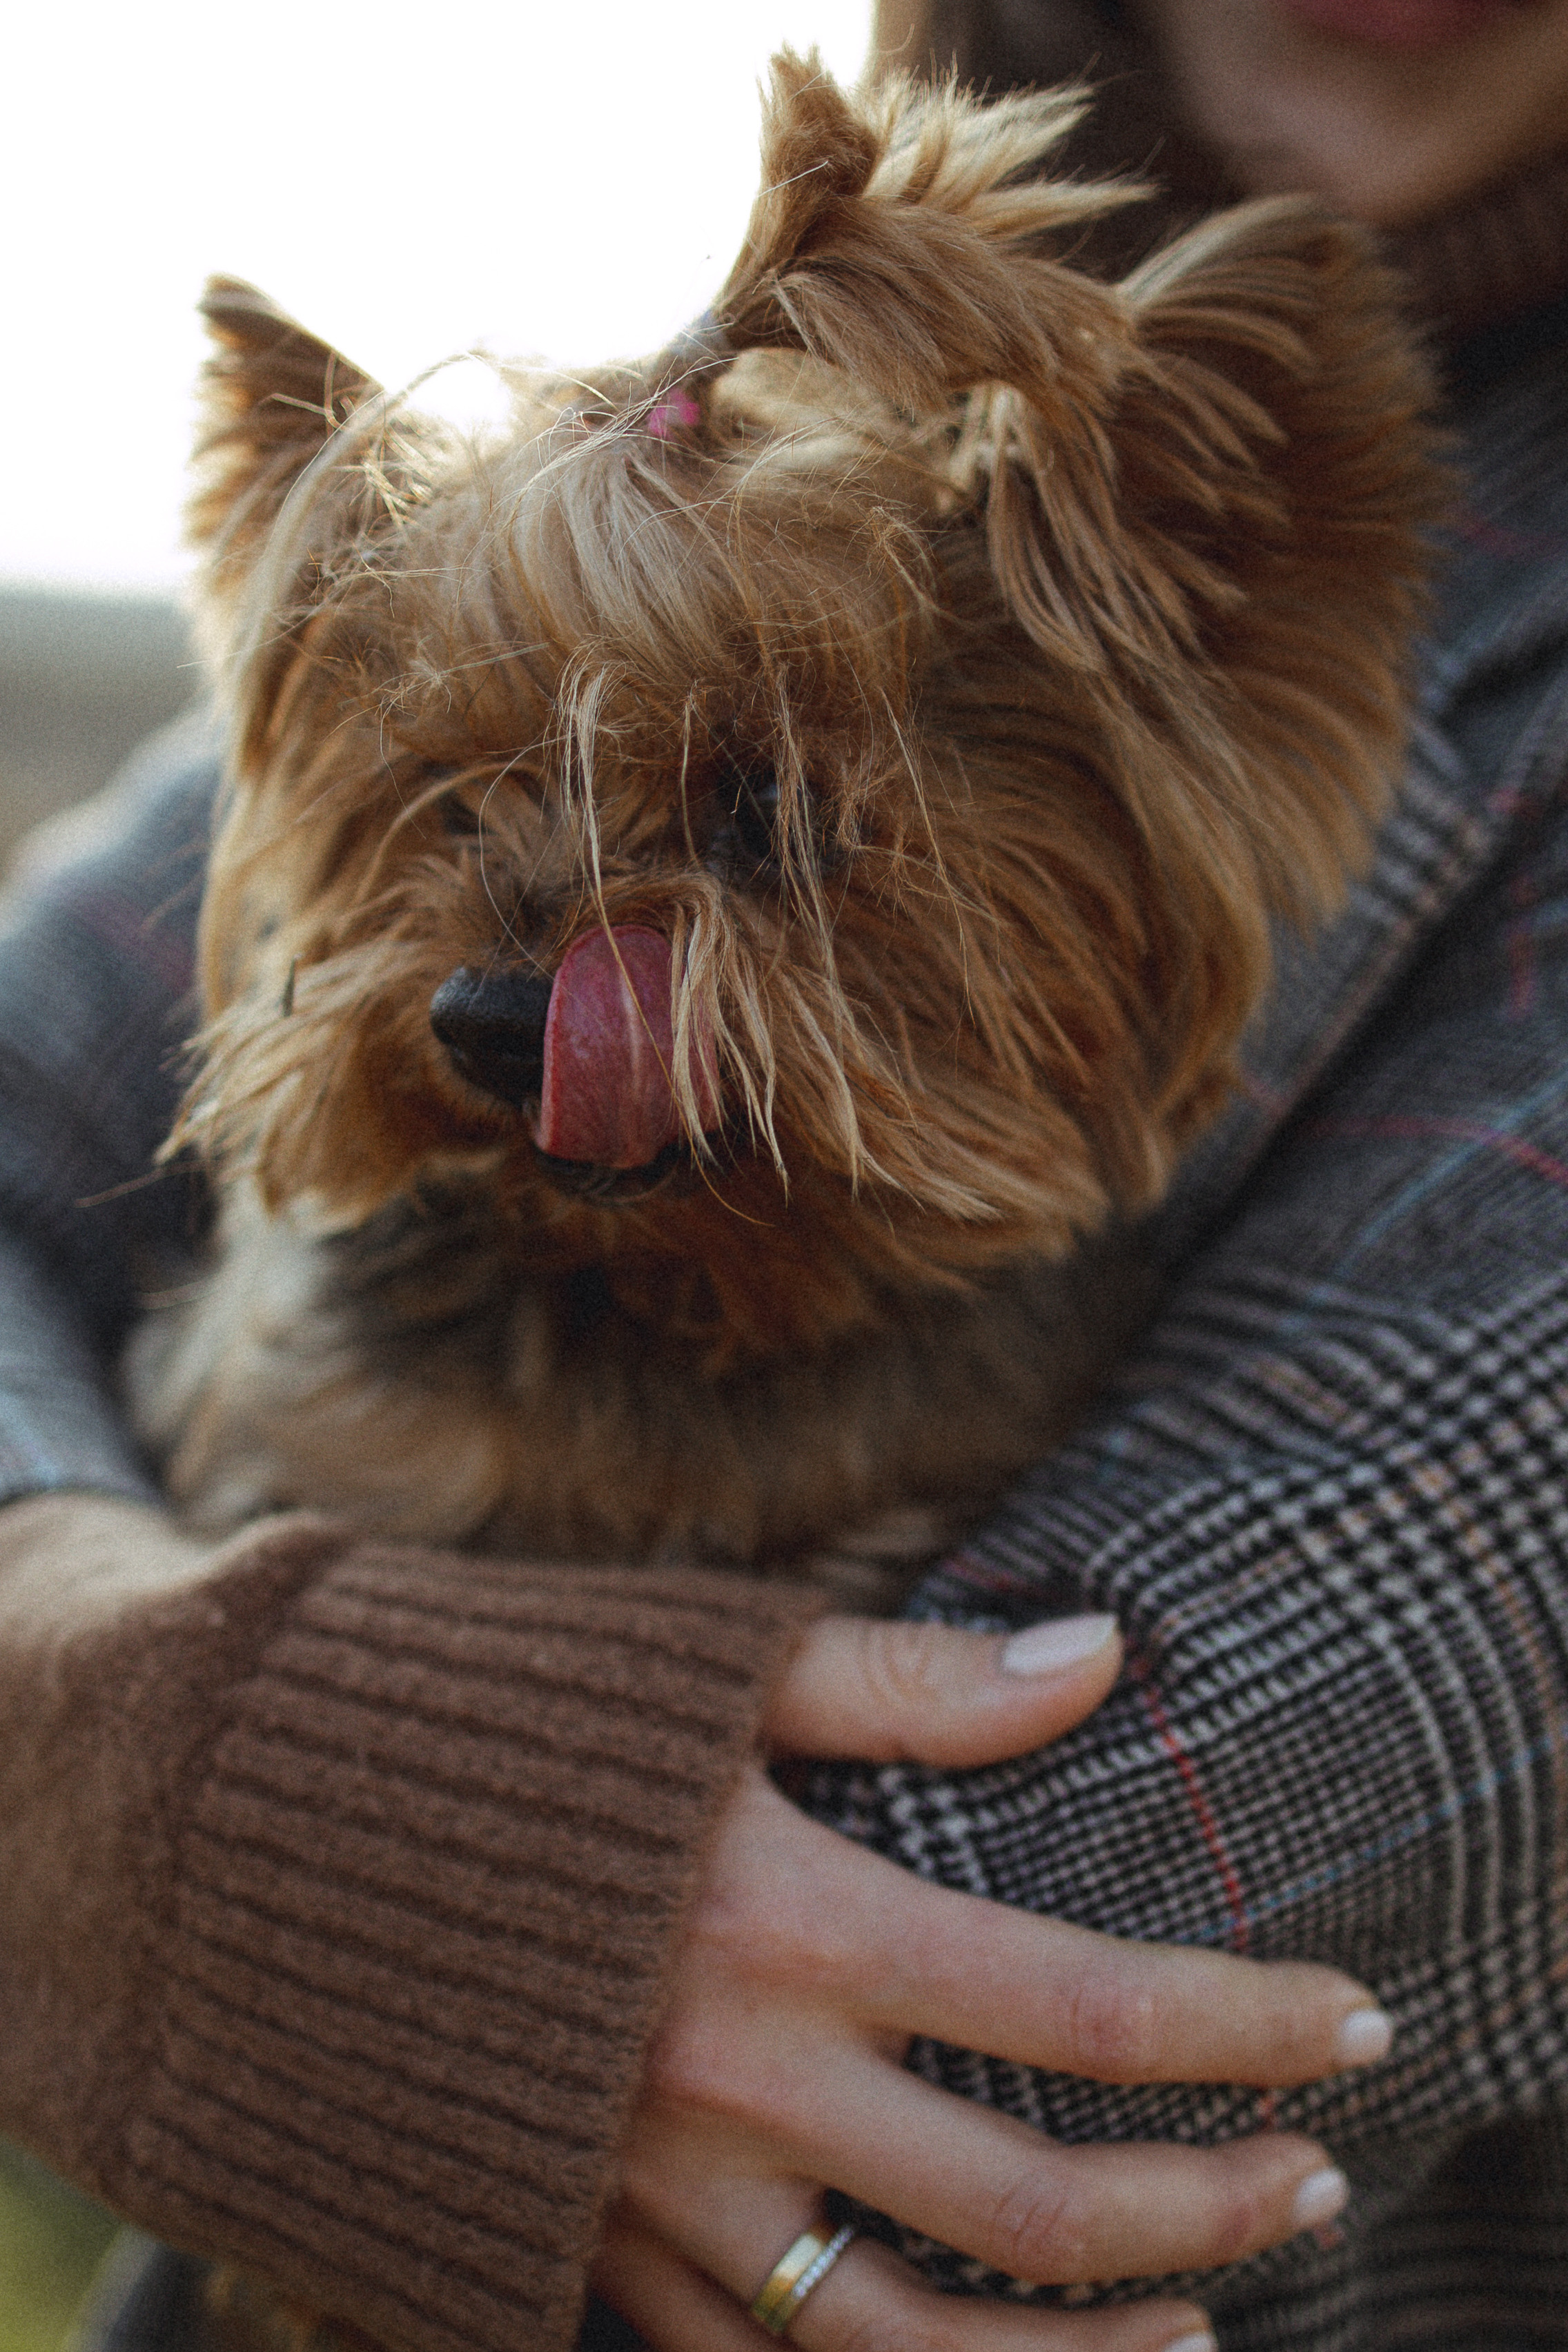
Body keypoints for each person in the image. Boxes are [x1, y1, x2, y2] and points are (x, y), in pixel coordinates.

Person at [2, 3, 1567, 2349]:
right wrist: (93, 1714)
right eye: (452, 817)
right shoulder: (637, 464)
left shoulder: (1185, 560)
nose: (536, 990)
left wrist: (183, 1847)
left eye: (766, 828)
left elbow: (1036, 1986)